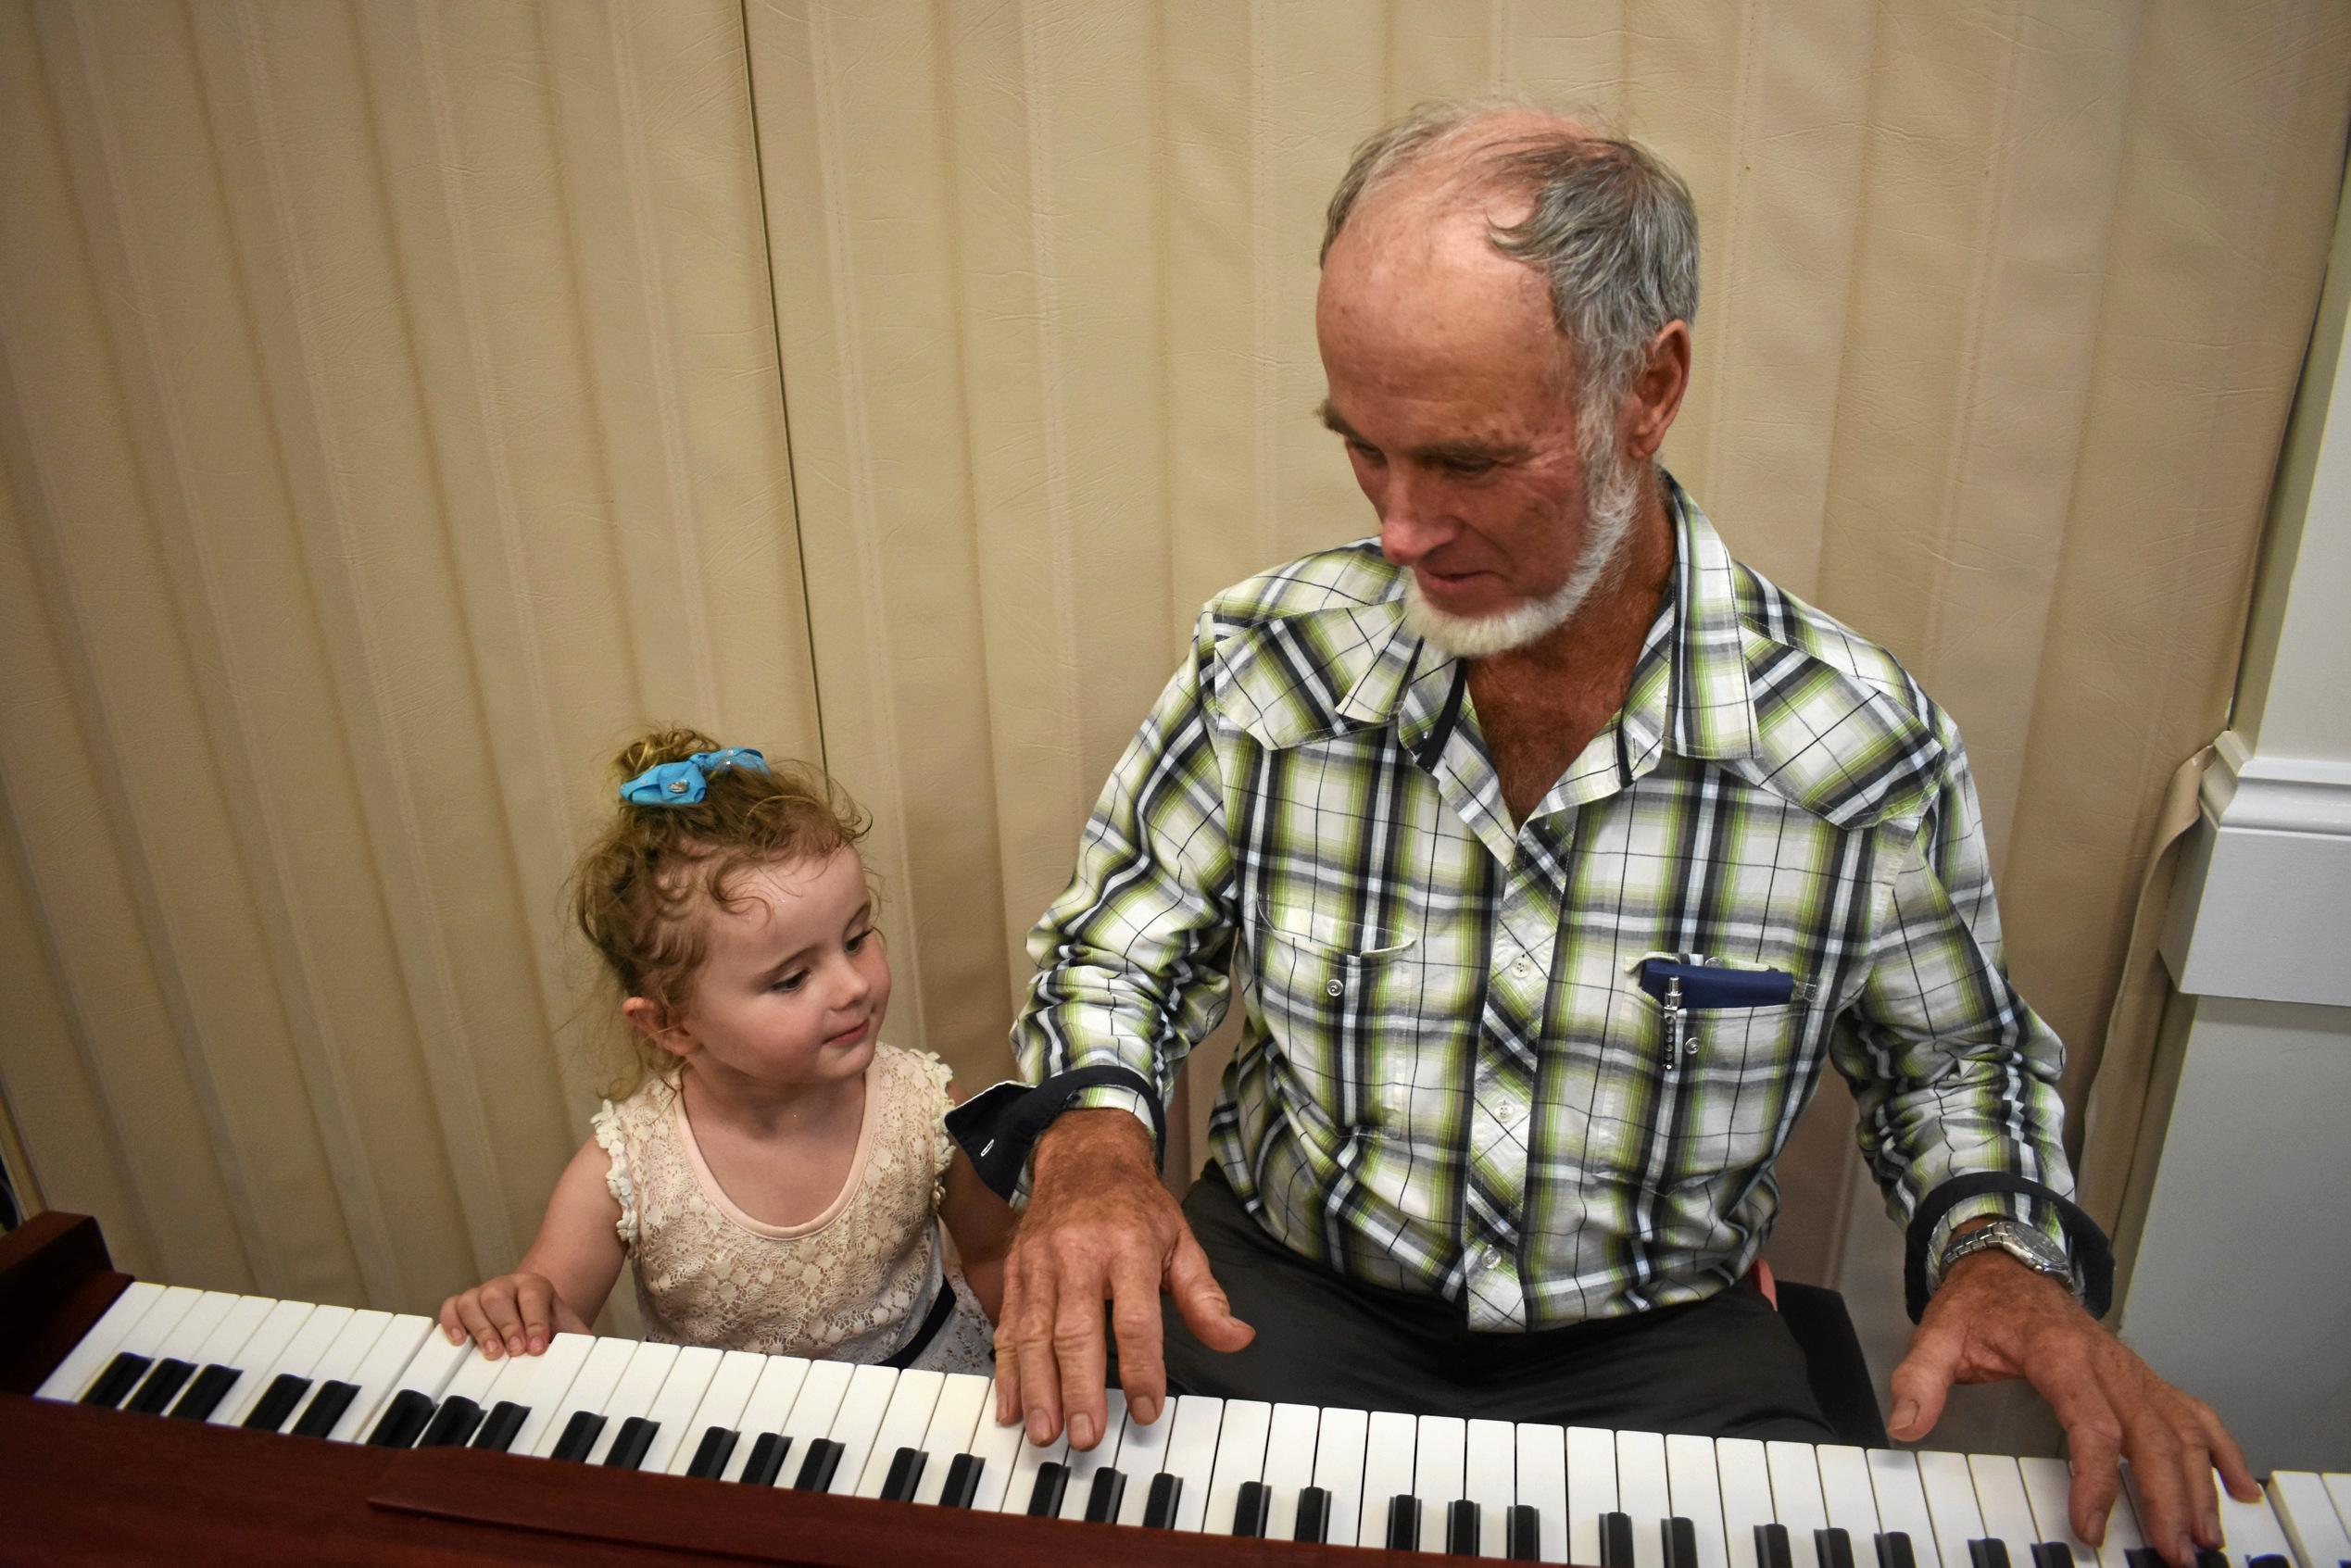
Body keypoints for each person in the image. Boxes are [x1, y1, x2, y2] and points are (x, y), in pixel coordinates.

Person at [984, 100, 2252, 1562]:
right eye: (1363, 452)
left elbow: (1954, 1068)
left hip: (1657, 1356)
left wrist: (1997, 1255)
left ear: (1644, 389)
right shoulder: (1270, 659)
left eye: (1461, 461)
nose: (1397, 529)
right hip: (1284, 1300)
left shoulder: (1849, 744)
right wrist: (1090, 1136)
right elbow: (1117, 945)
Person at [438, 728, 1013, 1375]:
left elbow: (994, 1254)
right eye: (792, 978)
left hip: (927, 1401)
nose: (853, 985)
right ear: (672, 1024)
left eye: (856, 937)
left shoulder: (926, 1109)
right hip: (735, 1445)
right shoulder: (625, 1170)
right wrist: (519, 1304)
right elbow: (550, 1316)